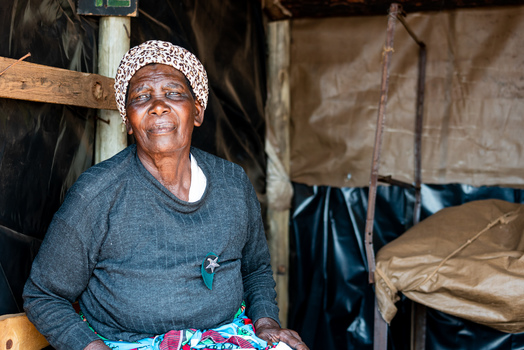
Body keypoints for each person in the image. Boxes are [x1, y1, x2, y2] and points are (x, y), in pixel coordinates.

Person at [23, 40, 309, 350]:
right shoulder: (97, 194)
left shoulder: (232, 183)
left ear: (197, 111)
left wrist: (266, 322)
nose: (158, 105)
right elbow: (43, 295)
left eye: (173, 93)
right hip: (130, 344)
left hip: (226, 337)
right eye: (142, 97)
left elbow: (255, 269)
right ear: (128, 122)